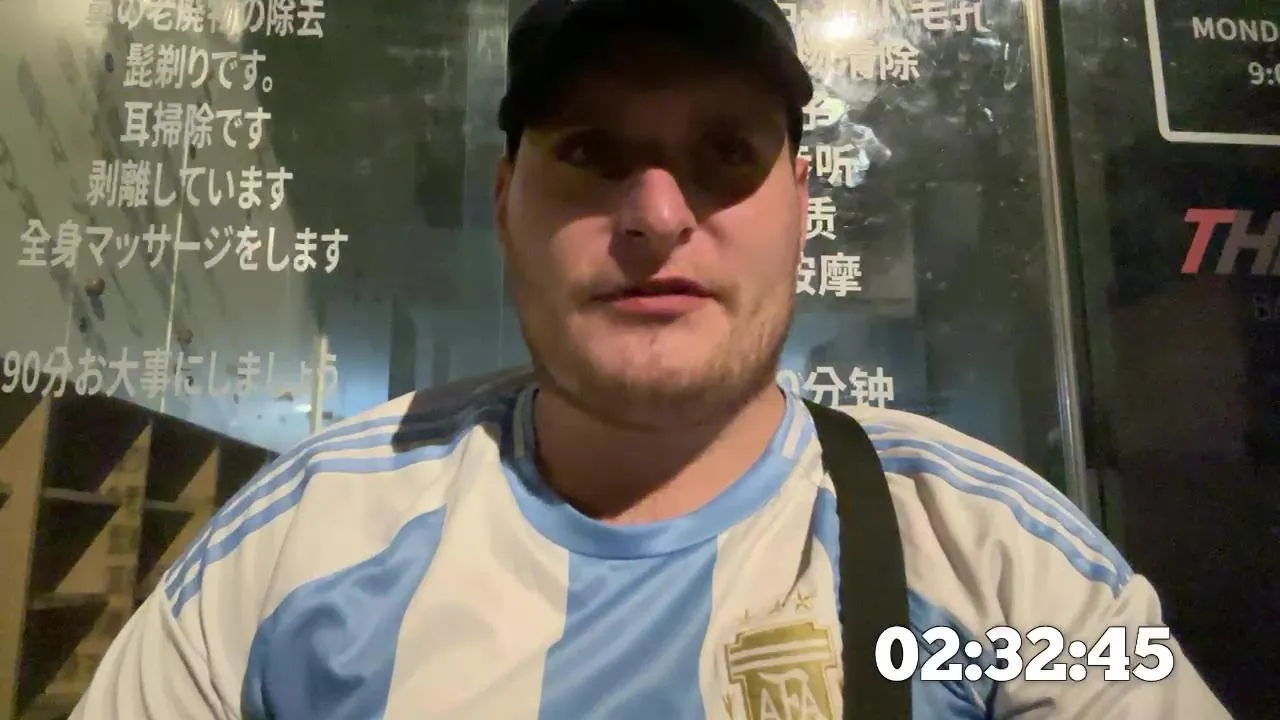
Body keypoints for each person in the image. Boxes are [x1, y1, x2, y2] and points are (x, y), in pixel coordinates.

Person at [72, 0, 1231, 717]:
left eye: (724, 151)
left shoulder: (1007, 564)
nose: (656, 217)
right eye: (589, 151)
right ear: (503, 203)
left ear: (800, 204)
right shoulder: (293, 545)